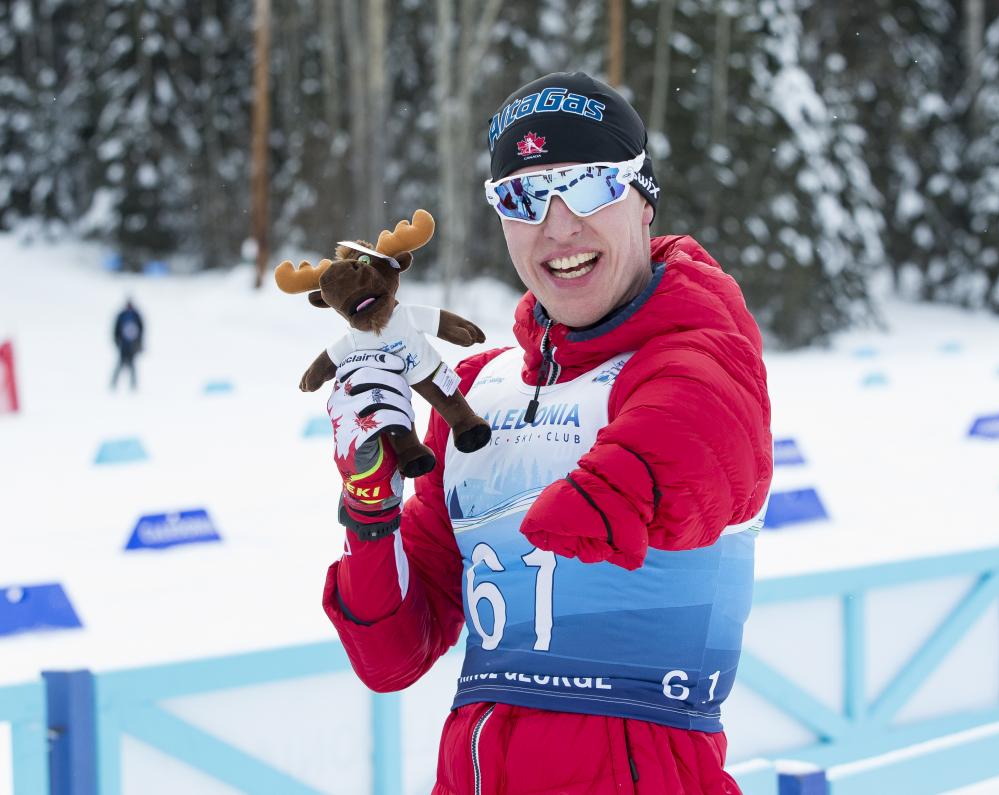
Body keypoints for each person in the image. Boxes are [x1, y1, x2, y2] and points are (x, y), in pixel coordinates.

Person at [321, 72, 773, 793]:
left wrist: (599, 494)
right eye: (524, 197)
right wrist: (368, 507)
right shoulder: (477, 396)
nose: (559, 226)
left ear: (643, 197)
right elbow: (392, 654)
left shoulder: (699, 353)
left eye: (589, 186)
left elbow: (694, 443)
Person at [111, 298, 144, 391]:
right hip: (123, 344)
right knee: (120, 364)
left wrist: (139, 343)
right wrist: (116, 341)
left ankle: (133, 385)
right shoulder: (122, 315)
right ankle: (114, 384)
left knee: (132, 365)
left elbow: (141, 330)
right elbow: (116, 329)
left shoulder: (136, 315)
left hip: (132, 345)